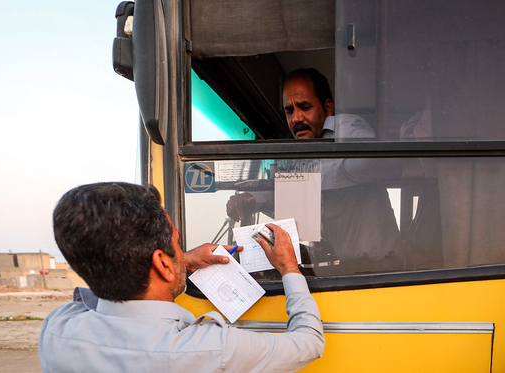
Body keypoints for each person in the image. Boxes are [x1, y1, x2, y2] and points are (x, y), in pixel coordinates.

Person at [39, 182, 324, 372]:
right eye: (177, 243)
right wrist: (289, 267)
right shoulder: (211, 348)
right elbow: (309, 343)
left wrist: (181, 261)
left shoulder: (57, 328)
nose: (182, 250)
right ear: (161, 263)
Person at [228, 68, 403, 270]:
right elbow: (279, 188)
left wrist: (319, 175)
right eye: (289, 110)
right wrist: (248, 198)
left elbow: (388, 161)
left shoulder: (345, 130)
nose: (296, 118)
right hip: (346, 268)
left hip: (382, 270)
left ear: (328, 108)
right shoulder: (300, 151)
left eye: (304, 107)